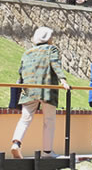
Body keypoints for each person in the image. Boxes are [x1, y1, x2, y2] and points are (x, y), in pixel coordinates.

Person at [11, 27, 70, 159]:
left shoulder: (27, 52)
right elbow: (55, 64)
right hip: (46, 90)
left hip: (28, 89)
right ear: (47, 38)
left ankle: (16, 143)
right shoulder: (51, 49)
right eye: (51, 36)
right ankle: (47, 152)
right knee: (49, 121)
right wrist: (63, 80)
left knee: (25, 119)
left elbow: (21, 71)